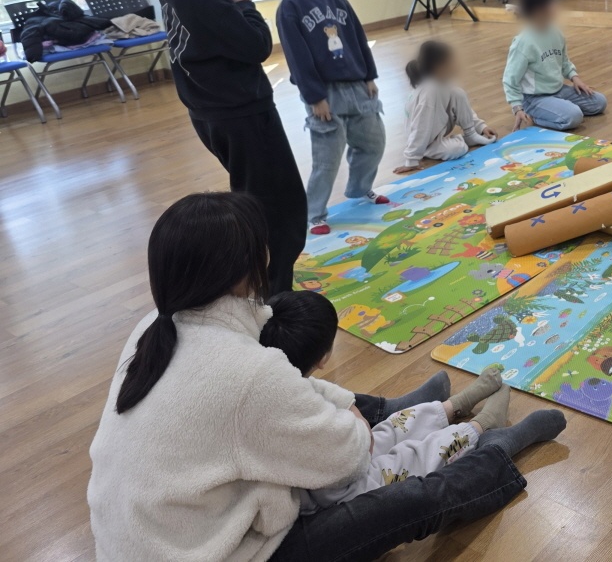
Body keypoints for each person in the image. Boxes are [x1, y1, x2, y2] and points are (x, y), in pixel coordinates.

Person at [88, 192, 562, 562]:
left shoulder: (153, 327)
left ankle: (402, 410)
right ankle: (496, 446)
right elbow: (351, 459)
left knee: (312, 394)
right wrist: (352, 419)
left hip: (151, 542)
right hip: (225, 552)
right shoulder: (246, 370)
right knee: (406, 499)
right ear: (241, 273)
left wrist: (339, 406)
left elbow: (280, 388)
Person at [126, 0, 306, 292]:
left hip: (212, 112)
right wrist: (247, 4)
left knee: (257, 196)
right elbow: (255, 45)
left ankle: (263, 286)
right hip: (243, 115)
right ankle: (271, 297)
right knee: (280, 210)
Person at [260, 291, 562, 513]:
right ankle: (479, 427)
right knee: (413, 459)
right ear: (323, 359)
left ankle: (452, 406)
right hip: (339, 487)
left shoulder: (277, 379)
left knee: (392, 428)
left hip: (336, 460)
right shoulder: (300, 418)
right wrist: (359, 426)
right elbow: (359, 449)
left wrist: (352, 412)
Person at [273, 0, 389, 235]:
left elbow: (357, 36)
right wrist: (315, 97)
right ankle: (314, 213)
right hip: (325, 95)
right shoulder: (290, 8)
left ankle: (359, 188)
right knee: (327, 159)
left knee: (373, 142)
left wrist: (369, 74)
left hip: (356, 85)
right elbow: (297, 58)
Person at [502, 0, 606, 131]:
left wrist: (575, 78)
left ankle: (557, 109)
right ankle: (535, 114)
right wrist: (517, 108)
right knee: (574, 116)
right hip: (535, 98)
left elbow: (564, 61)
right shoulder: (523, 43)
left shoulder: (556, 32)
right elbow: (510, 80)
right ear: (539, 10)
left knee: (599, 102)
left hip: (559, 90)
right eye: (552, 3)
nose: (557, 6)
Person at [394, 40, 496, 174]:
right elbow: (421, 126)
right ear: (439, 67)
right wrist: (411, 159)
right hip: (425, 140)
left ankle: (470, 135)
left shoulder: (443, 83)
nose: (457, 64)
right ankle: (430, 149)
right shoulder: (430, 90)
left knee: (457, 92)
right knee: (457, 149)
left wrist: (480, 127)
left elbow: (463, 108)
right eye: (452, 61)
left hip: (436, 131)